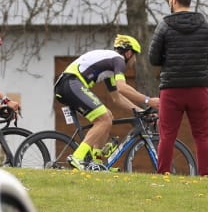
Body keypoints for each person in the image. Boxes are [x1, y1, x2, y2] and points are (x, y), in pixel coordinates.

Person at [53, 34, 159, 171]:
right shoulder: (118, 60)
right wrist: (149, 100)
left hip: (69, 84)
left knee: (108, 116)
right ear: (128, 53)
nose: (135, 60)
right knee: (104, 120)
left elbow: (117, 97)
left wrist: (140, 111)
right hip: (71, 83)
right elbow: (122, 87)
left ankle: (97, 163)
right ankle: (77, 157)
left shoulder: (110, 66)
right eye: (135, 55)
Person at [147, 0, 208, 175]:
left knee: (167, 136)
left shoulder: (164, 25)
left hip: (171, 89)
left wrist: (169, 60)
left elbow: (153, 58)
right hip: (199, 88)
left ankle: (163, 174)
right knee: (202, 136)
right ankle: (206, 176)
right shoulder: (205, 24)